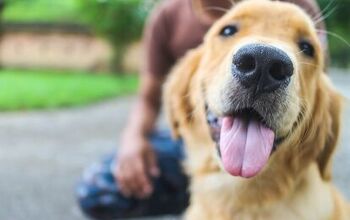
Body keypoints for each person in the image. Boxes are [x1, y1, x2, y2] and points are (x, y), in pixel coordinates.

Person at [76, 0, 326, 219]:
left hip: (284, 160)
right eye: (228, 31)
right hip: (192, 143)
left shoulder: (299, 5)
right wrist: (132, 140)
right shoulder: (167, 15)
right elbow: (148, 98)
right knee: (99, 190)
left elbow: (316, 100)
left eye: (304, 47)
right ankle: (200, 202)